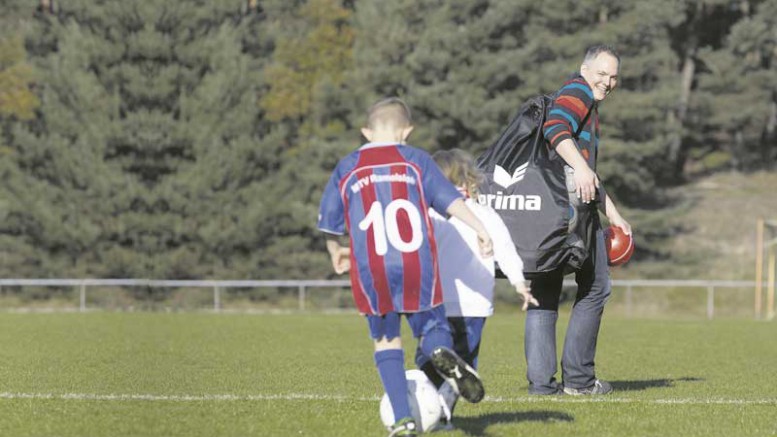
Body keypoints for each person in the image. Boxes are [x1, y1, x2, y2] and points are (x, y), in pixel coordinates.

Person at [317, 97, 495, 437]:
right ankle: (439, 349)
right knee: (431, 328)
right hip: (416, 263)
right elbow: (451, 201)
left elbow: (330, 221)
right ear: (407, 131)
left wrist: (335, 251)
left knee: (386, 342)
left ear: (366, 132)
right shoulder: (416, 161)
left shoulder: (348, 166)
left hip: (371, 267)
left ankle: (403, 420)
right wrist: (480, 229)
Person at [525, 44, 632, 395]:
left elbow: (581, 168)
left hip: (547, 212)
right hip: (572, 214)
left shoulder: (579, 95)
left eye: (614, 76)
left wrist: (612, 211)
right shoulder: (578, 91)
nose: (608, 82)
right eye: (602, 73)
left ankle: (542, 387)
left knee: (544, 293)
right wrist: (582, 166)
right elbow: (556, 129)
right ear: (585, 70)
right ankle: (579, 382)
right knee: (596, 287)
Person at [415, 148, 538, 429]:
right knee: (465, 361)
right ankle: (443, 414)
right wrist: (520, 283)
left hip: (433, 300)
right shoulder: (484, 214)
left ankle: (423, 399)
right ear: (471, 180)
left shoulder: (428, 215)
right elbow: (506, 251)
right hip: (474, 304)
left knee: (428, 358)